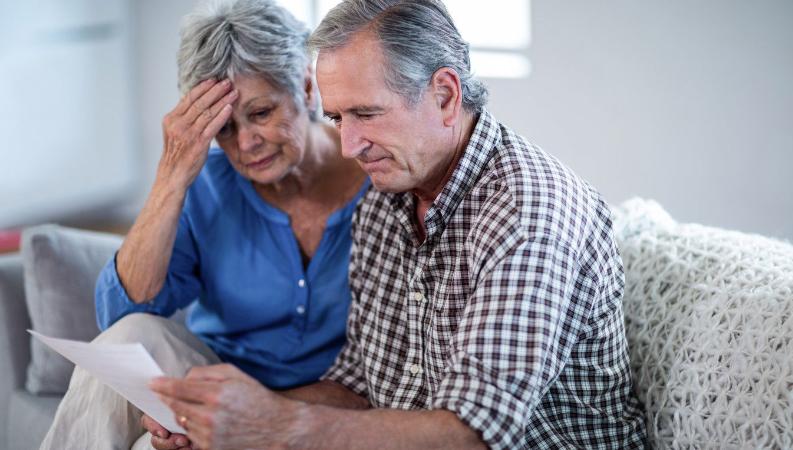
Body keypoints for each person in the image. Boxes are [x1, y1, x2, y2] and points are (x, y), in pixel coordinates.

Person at [150, 0, 649, 449]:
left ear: (446, 96)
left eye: (367, 114)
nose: (349, 146)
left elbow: (470, 434)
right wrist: (225, 421)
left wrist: (277, 427)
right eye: (339, 118)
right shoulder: (389, 194)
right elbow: (358, 383)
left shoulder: (525, 213)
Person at [39, 0, 368, 449]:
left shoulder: (380, 179)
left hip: (322, 411)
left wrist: (256, 419)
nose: (247, 142)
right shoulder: (206, 184)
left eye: (261, 113)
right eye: (224, 128)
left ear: (307, 88)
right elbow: (121, 318)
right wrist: (172, 176)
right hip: (213, 386)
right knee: (129, 336)